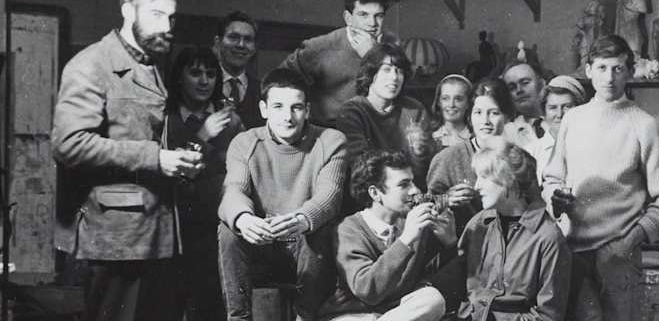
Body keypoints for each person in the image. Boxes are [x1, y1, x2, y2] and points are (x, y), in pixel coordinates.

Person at [52, 0, 200, 321]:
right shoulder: (92, 64)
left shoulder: (148, 65)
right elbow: (69, 145)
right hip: (115, 238)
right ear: (128, 12)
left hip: (153, 233)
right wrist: (155, 158)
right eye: (156, 15)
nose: (167, 26)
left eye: (171, 16)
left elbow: (140, 134)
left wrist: (177, 160)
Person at [542, 34, 659, 321]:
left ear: (629, 72)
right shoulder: (573, 119)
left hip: (620, 255)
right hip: (573, 251)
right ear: (589, 70)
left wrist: (628, 242)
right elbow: (552, 177)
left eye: (618, 69)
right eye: (602, 68)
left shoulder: (645, 125)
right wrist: (555, 197)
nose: (609, 77)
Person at [217, 68, 348, 321]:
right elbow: (234, 190)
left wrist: (301, 219)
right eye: (278, 107)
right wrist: (244, 219)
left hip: (306, 247)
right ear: (264, 109)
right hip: (262, 244)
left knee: (318, 226)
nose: (287, 117)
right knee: (228, 230)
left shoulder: (331, 141)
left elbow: (328, 196)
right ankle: (238, 319)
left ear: (307, 110)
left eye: (296, 107)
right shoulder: (245, 142)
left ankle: (305, 317)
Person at [317, 150, 456, 321]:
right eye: (404, 184)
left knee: (433, 299)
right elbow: (368, 291)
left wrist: (450, 243)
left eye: (413, 182)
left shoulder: (411, 222)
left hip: (397, 312)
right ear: (375, 193)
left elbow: (433, 276)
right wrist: (406, 239)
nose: (415, 190)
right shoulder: (349, 229)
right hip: (354, 314)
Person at [166, 47, 245, 321]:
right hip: (176, 227)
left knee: (211, 305)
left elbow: (241, 168)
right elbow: (171, 174)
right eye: (195, 73)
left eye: (211, 75)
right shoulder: (167, 120)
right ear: (179, 77)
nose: (203, 81)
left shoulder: (231, 121)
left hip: (215, 225)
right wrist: (202, 136)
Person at [458, 137, 571, 321]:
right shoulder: (478, 224)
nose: (477, 186)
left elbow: (548, 317)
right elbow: (456, 288)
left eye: (484, 177)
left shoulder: (548, 237)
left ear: (509, 179)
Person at [279, 0, 397, 128]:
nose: (372, 24)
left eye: (378, 16)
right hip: (328, 132)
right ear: (348, 18)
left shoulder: (392, 44)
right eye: (363, 15)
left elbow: (398, 96)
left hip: (376, 128)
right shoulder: (320, 47)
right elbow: (279, 80)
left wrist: (373, 55)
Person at [336, 42, 432, 192]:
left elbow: (422, 172)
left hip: (410, 191)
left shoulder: (415, 109)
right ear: (370, 74)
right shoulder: (353, 111)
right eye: (386, 69)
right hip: (370, 194)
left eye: (399, 71)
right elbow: (362, 169)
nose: (394, 77)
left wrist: (419, 153)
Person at [426, 77, 516, 235]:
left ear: (507, 116)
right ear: (470, 116)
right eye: (478, 113)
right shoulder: (448, 158)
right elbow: (417, 204)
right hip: (459, 246)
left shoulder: (517, 157)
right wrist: (445, 199)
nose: (485, 121)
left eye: (494, 113)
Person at [525, 75, 587, 185]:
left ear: (580, 108)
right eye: (552, 108)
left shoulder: (591, 146)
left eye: (567, 106)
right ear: (544, 112)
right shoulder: (532, 152)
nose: (559, 114)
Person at [213, 10, 264, 128]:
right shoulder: (202, 86)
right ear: (218, 42)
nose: (241, 45)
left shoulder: (263, 92)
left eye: (248, 39)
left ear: (255, 48)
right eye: (233, 37)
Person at [500, 60, 546, 149]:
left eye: (525, 83)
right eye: (512, 87)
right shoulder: (507, 133)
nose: (519, 90)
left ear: (541, 84)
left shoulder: (561, 117)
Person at [429, 74, 473, 149]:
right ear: (439, 102)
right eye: (445, 98)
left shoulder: (474, 138)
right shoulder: (429, 136)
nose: (451, 105)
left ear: (468, 103)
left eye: (458, 99)